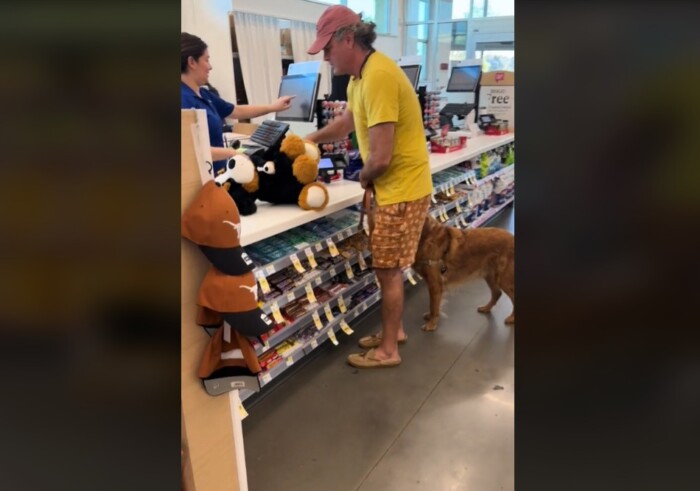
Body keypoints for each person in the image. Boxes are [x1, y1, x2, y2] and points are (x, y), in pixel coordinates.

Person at [305, 6, 433, 369]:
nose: (325, 57)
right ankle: (396, 333)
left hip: (401, 190)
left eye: (328, 49)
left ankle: (388, 350)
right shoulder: (361, 76)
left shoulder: (377, 76)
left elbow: (380, 160)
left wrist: (363, 178)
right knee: (387, 268)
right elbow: (346, 122)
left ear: (348, 38)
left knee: (388, 271)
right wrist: (308, 140)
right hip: (395, 189)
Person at [181, 32, 295, 174]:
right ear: (191, 62)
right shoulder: (183, 100)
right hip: (200, 180)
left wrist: (273, 107)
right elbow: (189, 150)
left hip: (219, 173)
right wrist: (232, 153)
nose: (210, 67)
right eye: (206, 60)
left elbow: (236, 111)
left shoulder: (203, 94)